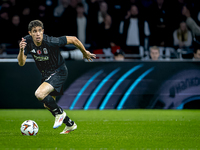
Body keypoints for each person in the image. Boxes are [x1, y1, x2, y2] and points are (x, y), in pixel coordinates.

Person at [17, 20, 96, 134]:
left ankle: (60, 114)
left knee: (39, 94)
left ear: (43, 31)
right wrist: (21, 50)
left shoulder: (50, 41)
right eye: (35, 31)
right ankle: (70, 124)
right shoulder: (27, 42)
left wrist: (84, 52)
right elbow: (21, 63)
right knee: (47, 104)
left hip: (59, 71)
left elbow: (73, 39)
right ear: (30, 33)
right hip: (46, 74)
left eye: (40, 31)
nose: (38, 34)